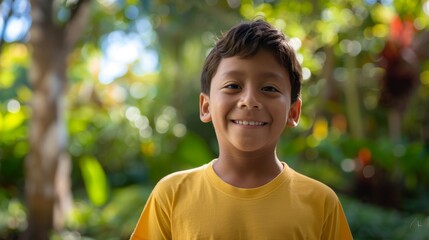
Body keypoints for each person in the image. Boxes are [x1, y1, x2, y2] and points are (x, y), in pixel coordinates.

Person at [130, 19, 353, 240]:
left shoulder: (321, 203)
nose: (249, 100)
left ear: (293, 112)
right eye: (233, 86)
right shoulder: (171, 195)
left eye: (269, 88)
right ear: (206, 107)